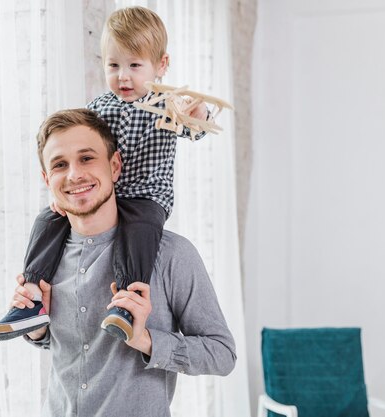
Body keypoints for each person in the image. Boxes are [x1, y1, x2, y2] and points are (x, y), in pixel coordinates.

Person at [0, 6, 210, 342]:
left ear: (161, 65)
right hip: (107, 194)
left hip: (147, 195)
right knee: (48, 220)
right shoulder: (100, 106)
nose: (123, 76)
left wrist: (197, 112)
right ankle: (31, 297)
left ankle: (126, 302)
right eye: (113, 65)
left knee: (140, 233)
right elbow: (79, 147)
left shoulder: (168, 104)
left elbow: (197, 128)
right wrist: (63, 191)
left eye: (135, 66)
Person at [12, 108, 236, 416]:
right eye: (60, 164)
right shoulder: (46, 254)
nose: (75, 174)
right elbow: (77, 348)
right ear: (47, 178)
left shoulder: (171, 255)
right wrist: (37, 331)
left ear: (115, 166)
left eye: (87, 158)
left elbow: (222, 355)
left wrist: (145, 340)